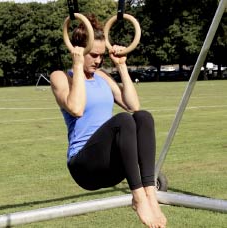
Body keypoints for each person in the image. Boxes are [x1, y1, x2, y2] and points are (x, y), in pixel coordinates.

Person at [50, 14, 167, 228]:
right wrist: (77, 67)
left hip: (111, 166)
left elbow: (133, 106)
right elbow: (76, 108)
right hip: (84, 167)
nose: (98, 60)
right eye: (93, 55)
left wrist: (121, 66)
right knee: (122, 121)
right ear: (78, 51)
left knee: (143, 117)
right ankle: (139, 198)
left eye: (101, 56)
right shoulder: (61, 77)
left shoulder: (102, 76)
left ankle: (150, 194)